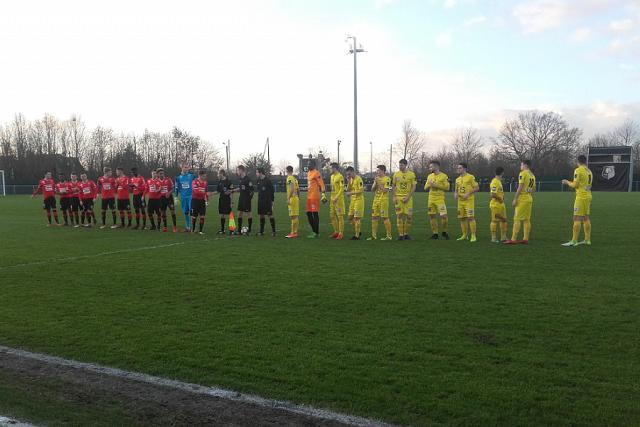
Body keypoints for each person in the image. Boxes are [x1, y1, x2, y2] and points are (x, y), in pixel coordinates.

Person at [562, 155, 593, 246]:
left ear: (578, 161)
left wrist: (567, 182)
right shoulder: (589, 171)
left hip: (581, 197)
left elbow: (574, 185)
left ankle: (574, 241)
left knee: (577, 218)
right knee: (586, 218)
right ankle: (587, 240)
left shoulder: (578, 170)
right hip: (588, 195)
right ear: (585, 161)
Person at [505, 160, 535, 245]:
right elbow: (533, 189)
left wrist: (515, 198)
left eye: (521, 164)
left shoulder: (523, 173)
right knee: (526, 219)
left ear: (525, 165)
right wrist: (530, 196)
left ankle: (513, 239)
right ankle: (525, 238)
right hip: (529, 198)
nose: (520, 166)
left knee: (517, 219)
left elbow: (520, 187)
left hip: (522, 198)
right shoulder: (532, 175)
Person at [424, 160, 450, 240]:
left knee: (444, 216)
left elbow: (447, 187)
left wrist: (436, 185)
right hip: (431, 199)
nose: (429, 168)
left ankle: (444, 232)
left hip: (440, 199)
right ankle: (435, 233)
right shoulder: (429, 176)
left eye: (431, 166)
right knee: (432, 216)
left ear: (436, 166)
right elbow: (425, 188)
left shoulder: (444, 176)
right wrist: (429, 185)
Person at [392, 159, 417, 240]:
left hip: (408, 199)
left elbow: (413, 187)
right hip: (398, 198)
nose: (400, 166)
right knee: (399, 216)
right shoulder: (396, 174)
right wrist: (394, 196)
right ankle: (400, 235)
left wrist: (408, 197)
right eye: (399, 165)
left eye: (401, 165)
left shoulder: (411, 174)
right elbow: (393, 186)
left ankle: (406, 234)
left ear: (406, 165)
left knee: (409, 216)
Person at [454, 163, 479, 242]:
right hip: (460, 202)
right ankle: (464, 235)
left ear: (464, 169)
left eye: (460, 168)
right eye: (458, 168)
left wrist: (468, 194)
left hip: (469, 201)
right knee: (462, 218)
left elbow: (477, 187)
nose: (458, 169)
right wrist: (455, 194)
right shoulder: (457, 179)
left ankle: (473, 235)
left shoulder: (470, 177)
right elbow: (456, 189)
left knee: (470, 218)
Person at [368, 164, 392, 241]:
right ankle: (373, 236)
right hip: (376, 200)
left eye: (378, 170)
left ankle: (389, 236)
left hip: (383, 200)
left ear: (383, 171)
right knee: (374, 217)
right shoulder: (377, 179)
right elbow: (372, 189)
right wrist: (375, 183)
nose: (377, 172)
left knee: (385, 217)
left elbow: (385, 190)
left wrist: (378, 182)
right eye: (377, 170)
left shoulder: (387, 179)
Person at [305, 160, 327, 239]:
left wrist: (323, 194)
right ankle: (314, 231)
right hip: (309, 196)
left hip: (314, 196)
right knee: (308, 213)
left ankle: (316, 232)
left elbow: (321, 183)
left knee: (314, 214)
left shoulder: (316, 173)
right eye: (307, 164)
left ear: (314, 165)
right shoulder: (309, 173)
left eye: (309, 164)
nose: (308, 165)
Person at [233, 165, 254, 235]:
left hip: (246, 199)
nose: (237, 172)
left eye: (238, 170)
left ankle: (249, 230)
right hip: (241, 198)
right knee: (239, 214)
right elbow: (240, 188)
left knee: (248, 213)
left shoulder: (248, 179)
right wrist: (232, 190)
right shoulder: (241, 179)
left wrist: (249, 198)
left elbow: (252, 191)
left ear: (241, 170)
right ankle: (239, 231)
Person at [489, 167, 508, 243]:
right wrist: (500, 199)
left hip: (501, 204)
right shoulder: (495, 182)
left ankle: (503, 237)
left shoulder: (499, 181)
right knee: (494, 221)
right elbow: (492, 194)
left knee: (503, 220)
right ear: (502, 173)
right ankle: (493, 238)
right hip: (495, 205)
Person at [345, 166, 364, 240]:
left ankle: (357, 235)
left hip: (359, 200)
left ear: (353, 172)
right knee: (350, 218)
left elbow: (361, 191)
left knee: (356, 218)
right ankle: (358, 231)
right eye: (347, 174)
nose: (348, 176)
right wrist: (348, 181)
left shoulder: (358, 179)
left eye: (349, 174)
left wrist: (351, 193)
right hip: (353, 201)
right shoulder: (351, 179)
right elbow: (347, 189)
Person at [256, 168, 276, 236]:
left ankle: (273, 231)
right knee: (261, 215)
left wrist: (272, 201)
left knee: (270, 215)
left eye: (257, 172)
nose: (256, 174)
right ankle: (261, 231)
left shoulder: (268, 180)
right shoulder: (258, 180)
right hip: (260, 200)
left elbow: (272, 191)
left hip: (267, 201)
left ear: (261, 173)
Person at [175, 164, 195, 232]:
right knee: (185, 212)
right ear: (182, 168)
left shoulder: (191, 176)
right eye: (185, 167)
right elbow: (176, 188)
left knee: (192, 211)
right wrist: (176, 197)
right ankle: (188, 227)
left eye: (187, 167)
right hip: (183, 197)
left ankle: (193, 227)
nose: (186, 169)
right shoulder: (178, 178)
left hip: (191, 196)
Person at [157, 168, 177, 232]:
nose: (162, 174)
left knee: (172, 211)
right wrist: (158, 190)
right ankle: (165, 227)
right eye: (160, 173)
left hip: (169, 198)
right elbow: (155, 191)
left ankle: (174, 227)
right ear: (158, 174)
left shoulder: (168, 179)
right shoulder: (156, 181)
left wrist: (169, 193)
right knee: (163, 212)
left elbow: (173, 188)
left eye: (162, 173)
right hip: (161, 198)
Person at [329, 163, 345, 240]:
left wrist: (336, 197)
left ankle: (341, 233)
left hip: (338, 199)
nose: (330, 169)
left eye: (331, 168)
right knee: (332, 215)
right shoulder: (331, 176)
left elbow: (342, 189)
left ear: (335, 168)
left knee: (340, 216)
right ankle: (336, 231)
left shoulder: (340, 176)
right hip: (332, 199)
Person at [190, 170, 209, 234]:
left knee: (202, 216)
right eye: (203, 176)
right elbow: (196, 191)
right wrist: (203, 192)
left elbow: (206, 192)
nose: (204, 177)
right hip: (195, 201)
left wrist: (206, 200)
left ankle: (200, 231)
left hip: (202, 201)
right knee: (194, 216)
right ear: (200, 175)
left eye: (205, 176)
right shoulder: (194, 182)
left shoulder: (205, 183)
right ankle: (193, 229)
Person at [216, 169, 233, 234]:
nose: (217, 175)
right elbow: (218, 191)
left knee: (230, 214)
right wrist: (211, 194)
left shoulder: (228, 182)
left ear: (222, 174)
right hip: (221, 200)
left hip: (227, 200)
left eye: (218, 174)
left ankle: (232, 229)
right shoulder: (220, 181)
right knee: (222, 214)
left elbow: (231, 192)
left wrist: (232, 202)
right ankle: (222, 230)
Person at [285, 166, 300, 238]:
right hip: (295, 198)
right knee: (294, 216)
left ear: (287, 170)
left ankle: (293, 233)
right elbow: (298, 190)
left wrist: (288, 198)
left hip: (292, 198)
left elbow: (291, 188)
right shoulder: (295, 179)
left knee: (293, 216)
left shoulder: (289, 178)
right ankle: (295, 232)